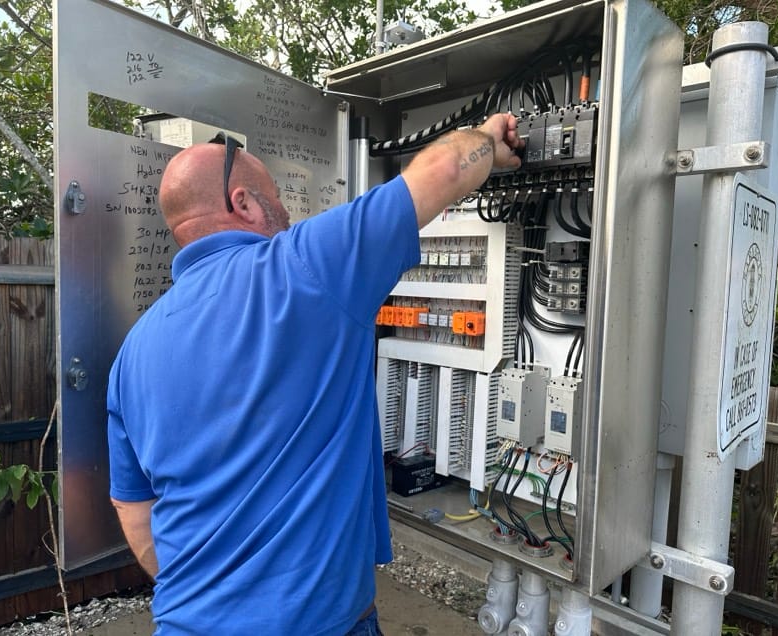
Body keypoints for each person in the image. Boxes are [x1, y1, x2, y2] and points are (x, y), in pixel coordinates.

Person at [107, 113, 523, 635]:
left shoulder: (133, 351)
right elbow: (443, 169)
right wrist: (489, 138)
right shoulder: (305, 266)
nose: (284, 210)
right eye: (276, 196)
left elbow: (133, 509)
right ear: (244, 203)